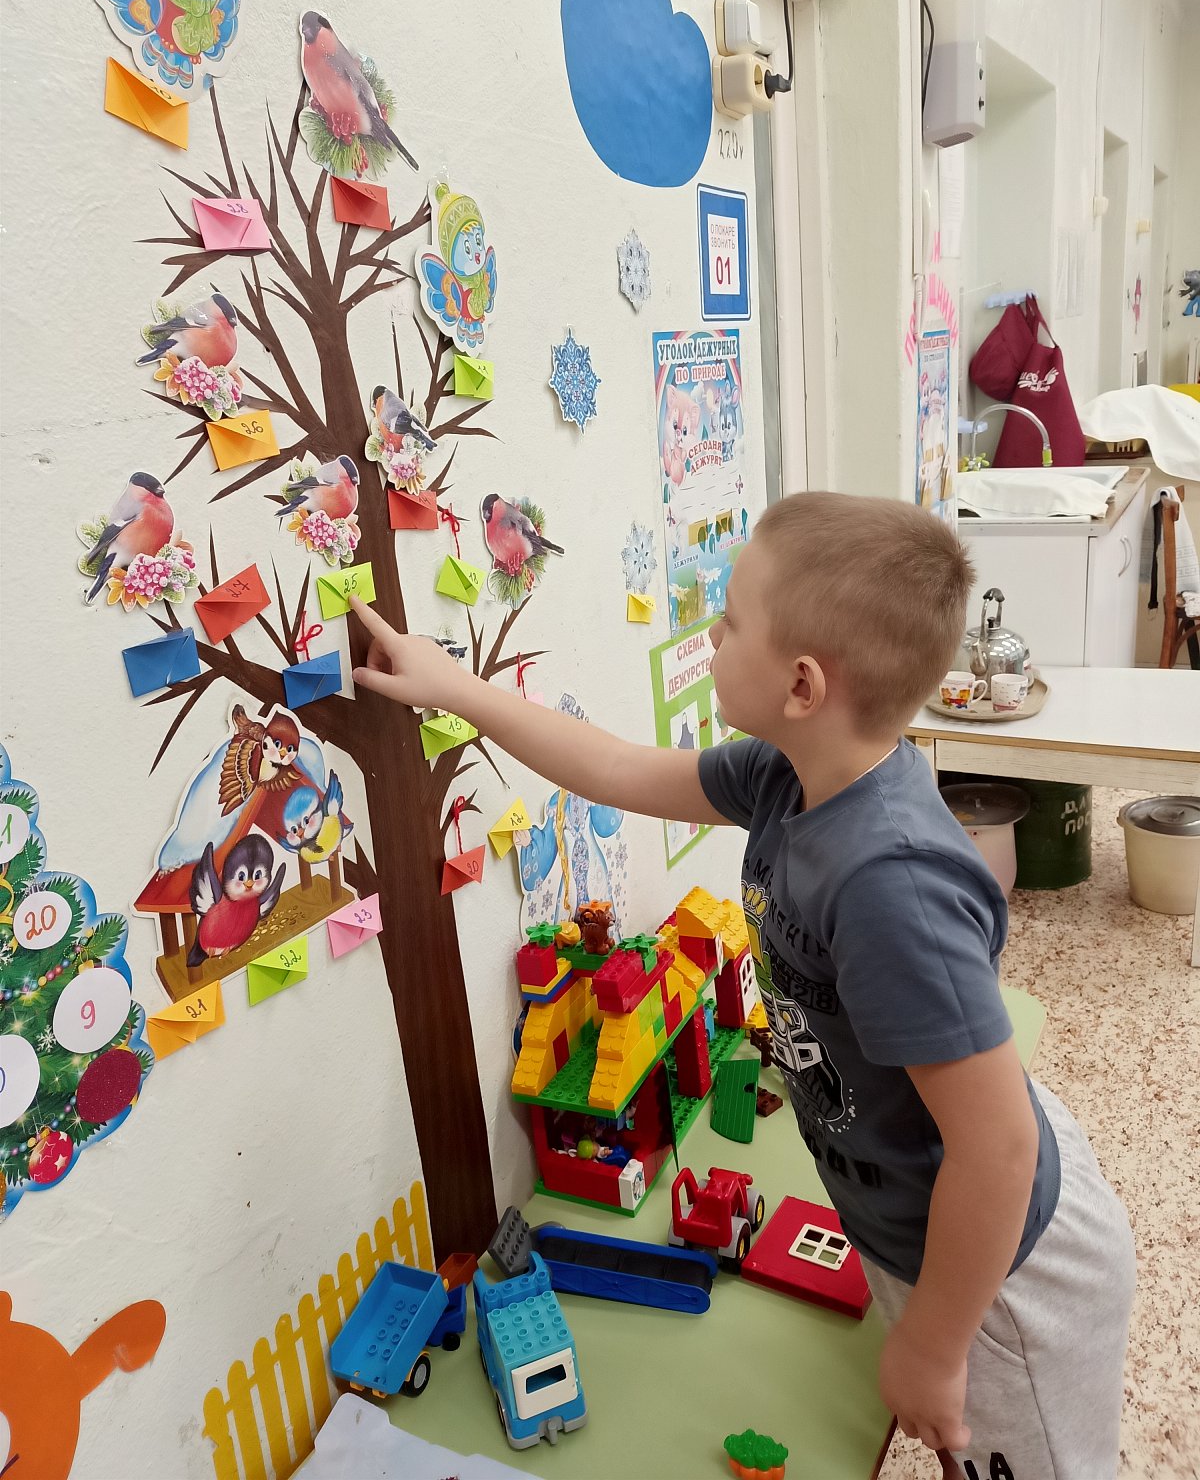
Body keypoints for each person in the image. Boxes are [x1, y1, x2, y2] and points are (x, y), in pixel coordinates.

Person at [348, 490, 1135, 1478]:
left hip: (1007, 1274)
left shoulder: (889, 885)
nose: (711, 637)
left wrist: (936, 1346)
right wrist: (456, 689)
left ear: (802, 684)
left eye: (727, 621)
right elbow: (618, 769)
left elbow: (999, 1148)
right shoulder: (786, 774)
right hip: (921, 1213)